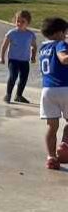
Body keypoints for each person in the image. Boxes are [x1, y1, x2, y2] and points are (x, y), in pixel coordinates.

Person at [37, 16, 68, 169]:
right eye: (65, 32)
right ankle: (64, 144)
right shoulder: (60, 44)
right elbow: (63, 59)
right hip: (65, 88)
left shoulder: (43, 48)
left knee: (52, 126)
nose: (65, 35)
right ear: (58, 33)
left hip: (47, 91)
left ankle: (51, 157)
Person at [0, 10, 37, 104]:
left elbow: (34, 46)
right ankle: (8, 94)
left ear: (28, 23)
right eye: (18, 21)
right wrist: (2, 57)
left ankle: (19, 95)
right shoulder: (11, 33)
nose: (19, 23)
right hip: (13, 60)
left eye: (22, 21)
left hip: (25, 61)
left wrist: (33, 56)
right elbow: (4, 45)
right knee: (13, 76)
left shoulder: (30, 34)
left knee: (24, 78)